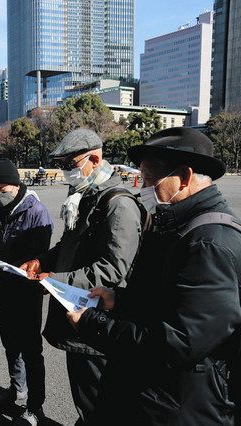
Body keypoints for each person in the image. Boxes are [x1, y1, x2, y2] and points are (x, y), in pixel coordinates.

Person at [67, 127, 241, 425]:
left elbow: (177, 343)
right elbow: (165, 300)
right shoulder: (180, 225)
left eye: (148, 181)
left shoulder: (207, 242)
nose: (142, 189)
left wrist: (93, 324)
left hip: (180, 405)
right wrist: (118, 299)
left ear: (184, 178)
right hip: (162, 396)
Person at [20, 128, 143, 425]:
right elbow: (69, 244)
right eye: (61, 165)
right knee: (85, 396)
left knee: (98, 398)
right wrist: (42, 261)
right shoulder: (84, 195)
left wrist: (56, 279)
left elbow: (114, 269)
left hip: (96, 320)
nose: (65, 172)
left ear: (95, 158)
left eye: (70, 164)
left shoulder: (118, 204)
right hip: (76, 312)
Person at [0, 159, 53, 425]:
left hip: (26, 293)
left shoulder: (36, 212)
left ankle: (36, 406)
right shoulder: (6, 209)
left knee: (31, 350)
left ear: (14, 184)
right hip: (4, 290)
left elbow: (37, 261)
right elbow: (1, 246)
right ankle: (17, 389)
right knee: (10, 344)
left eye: (0, 188)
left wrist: (2, 270)